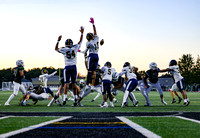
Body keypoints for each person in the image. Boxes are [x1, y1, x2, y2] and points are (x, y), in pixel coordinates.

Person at [55, 26, 84, 106]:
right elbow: (80, 41)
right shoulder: (75, 47)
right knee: (74, 83)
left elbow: (56, 49)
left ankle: (65, 98)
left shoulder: (64, 49)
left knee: (66, 83)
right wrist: (82, 33)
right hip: (74, 67)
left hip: (67, 67)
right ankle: (75, 98)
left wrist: (58, 40)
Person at [84, 17, 101, 90]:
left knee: (89, 70)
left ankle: (88, 84)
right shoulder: (97, 38)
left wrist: (83, 52)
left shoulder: (88, 42)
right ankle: (92, 84)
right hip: (97, 55)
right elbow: (95, 32)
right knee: (94, 71)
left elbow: (86, 49)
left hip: (91, 55)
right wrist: (93, 24)